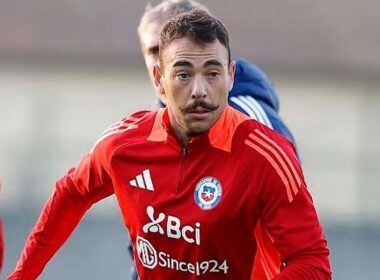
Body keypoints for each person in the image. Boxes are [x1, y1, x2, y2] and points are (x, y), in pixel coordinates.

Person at [8, 10, 331, 279]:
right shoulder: (124, 143)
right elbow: (72, 192)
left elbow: (312, 262)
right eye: (183, 74)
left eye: (213, 73)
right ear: (159, 79)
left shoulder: (267, 155)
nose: (200, 90)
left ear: (231, 76)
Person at [134, 1, 298, 279]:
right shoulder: (153, 128)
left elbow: (292, 212)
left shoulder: (248, 116)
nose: (165, 58)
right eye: (153, 50)